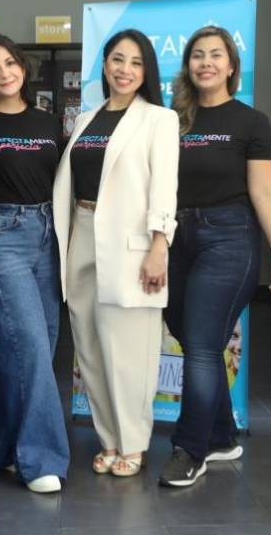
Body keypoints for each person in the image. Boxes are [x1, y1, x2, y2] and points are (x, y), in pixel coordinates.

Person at [159, 25, 271, 488]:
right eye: (198, 55)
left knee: (200, 343)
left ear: (232, 66)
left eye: (216, 54)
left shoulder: (251, 122)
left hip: (229, 237)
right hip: (176, 237)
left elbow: (265, 190)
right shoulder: (172, 120)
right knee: (191, 335)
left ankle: (189, 449)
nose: (206, 62)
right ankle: (220, 436)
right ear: (188, 66)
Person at [53, 29, 179, 477]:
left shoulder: (159, 119)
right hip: (82, 235)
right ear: (104, 65)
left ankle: (134, 443)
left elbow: (164, 187)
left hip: (133, 247)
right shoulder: (86, 119)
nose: (125, 70)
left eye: (136, 62)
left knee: (130, 353)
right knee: (89, 348)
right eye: (117, 60)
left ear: (147, 71)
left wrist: (159, 245)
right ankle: (108, 439)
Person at [0, 34, 69, 494]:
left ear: (23, 68)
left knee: (28, 348)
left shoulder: (48, 122)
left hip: (49, 236)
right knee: (31, 346)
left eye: (10, 63)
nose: (4, 73)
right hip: (2, 238)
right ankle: (42, 459)